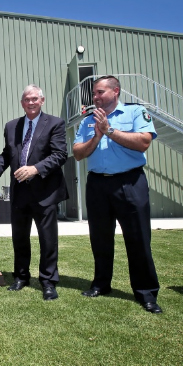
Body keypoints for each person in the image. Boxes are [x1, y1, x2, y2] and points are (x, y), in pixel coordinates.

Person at [73, 75, 162, 314]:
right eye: (94, 93)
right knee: (100, 238)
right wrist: (97, 135)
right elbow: (78, 153)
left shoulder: (135, 113)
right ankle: (101, 284)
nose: (95, 97)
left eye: (100, 92)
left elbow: (143, 142)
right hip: (98, 185)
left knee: (138, 239)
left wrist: (109, 130)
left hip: (130, 182)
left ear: (116, 91)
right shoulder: (88, 121)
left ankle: (146, 293)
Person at [0, 84, 68, 301]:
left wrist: (36, 169)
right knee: (20, 238)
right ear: (22, 103)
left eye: (35, 98)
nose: (31, 102)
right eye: (27, 99)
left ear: (42, 100)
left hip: (45, 192)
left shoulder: (55, 123)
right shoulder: (11, 126)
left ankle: (48, 281)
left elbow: (60, 154)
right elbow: (8, 153)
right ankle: (21, 277)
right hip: (20, 192)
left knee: (48, 239)